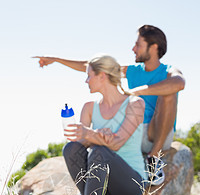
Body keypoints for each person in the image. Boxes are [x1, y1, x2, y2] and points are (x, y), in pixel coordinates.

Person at [34, 24, 185, 185]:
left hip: (156, 134)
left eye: (138, 45)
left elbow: (179, 83)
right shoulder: (133, 70)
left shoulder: (168, 71)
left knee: (169, 93)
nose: (133, 49)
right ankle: (88, 181)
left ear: (153, 47)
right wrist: (56, 60)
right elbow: (94, 67)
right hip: (131, 133)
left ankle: (153, 159)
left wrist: (138, 91)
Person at [56, 54, 147, 195]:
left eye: (89, 75)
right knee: (70, 149)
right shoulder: (89, 107)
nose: (86, 80)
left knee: (100, 151)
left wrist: (92, 135)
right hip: (102, 184)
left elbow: (116, 143)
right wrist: (94, 135)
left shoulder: (135, 104)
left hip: (130, 183)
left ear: (102, 76)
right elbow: (80, 146)